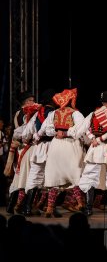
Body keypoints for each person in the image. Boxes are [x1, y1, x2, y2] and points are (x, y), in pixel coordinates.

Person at [36, 88, 86, 218]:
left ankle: (50, 208)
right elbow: (81, 129)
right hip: (70, 145)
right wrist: (66, 133)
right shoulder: (76, 114)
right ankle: (80, 204)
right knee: (75, 173)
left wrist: (56, 132)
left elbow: (45, 128)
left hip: (56, 145)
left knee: (55, 175)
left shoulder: (53, 113)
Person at [73, 91, 107, 216]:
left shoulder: (92, 114)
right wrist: (99, 138)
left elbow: (82, 130)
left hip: (95, 148)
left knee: (90, 176)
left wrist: (93, 138)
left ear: (102, 102)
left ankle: (89, 208)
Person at [21, 88, 57, 216]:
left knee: (35, 177)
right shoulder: (55, 113)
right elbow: (51, 131)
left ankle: (27, 207)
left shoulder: (37, 113)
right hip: (52, 146)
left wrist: (29, 141)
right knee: (53, 178)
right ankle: (51, 208)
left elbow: (26, 133)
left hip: (39, 148)